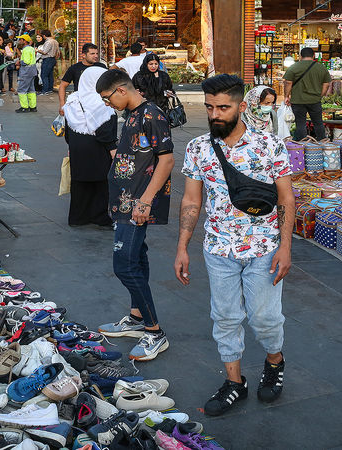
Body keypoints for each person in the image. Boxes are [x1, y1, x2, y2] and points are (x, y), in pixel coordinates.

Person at [174, 74, 293, 417]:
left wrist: (285, 247)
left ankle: (275, 360)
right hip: (218, 249)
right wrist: (183, 247)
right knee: (224, 317)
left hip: (264, 247)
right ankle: (234, 382)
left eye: (223, 107)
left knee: (264, 318)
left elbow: (286, 197)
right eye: (210, 107)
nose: (215, 114)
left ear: (241, 107)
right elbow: (191, 201)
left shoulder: (270, 145)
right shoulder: (198, 147)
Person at [94, 69, 175, 361]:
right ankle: (137, 317)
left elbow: (166, 160)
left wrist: (145, 201)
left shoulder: (152, 114)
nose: (107, 104)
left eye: (107, 98)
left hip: (137, 203)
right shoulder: (132, 113)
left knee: (124, 265)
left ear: (121, 90)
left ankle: (154, 331)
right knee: (137, 257)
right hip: (126, 200)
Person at [63, 66, 117, 227]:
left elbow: (68, 127)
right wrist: (112, 148)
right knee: (100, 183)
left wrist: (72, 145)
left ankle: (78, 217)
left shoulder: (73, 99)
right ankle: (98, 216)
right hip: (97, 148)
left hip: (77, 146)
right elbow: (105, 131)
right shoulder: (101, 101)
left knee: (79, 183)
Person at [282, 47, 331, 140]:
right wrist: (321, 95)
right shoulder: (321, 67)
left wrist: (286, 96)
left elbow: (288, 82)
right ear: (313, 56)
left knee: (300, 123)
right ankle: (322, 144)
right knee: (318, 123)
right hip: (315, 100)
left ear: (300, 56)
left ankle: (302, 146)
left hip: (298, 100)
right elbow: (326, 84)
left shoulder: (294, 67)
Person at [58, 43, 107, 116]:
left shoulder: (102, 67)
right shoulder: (74, 68)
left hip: (99, 105)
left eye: (97, 53)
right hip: (80, 106)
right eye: (92, 54)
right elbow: (62, 86)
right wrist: (62, 105)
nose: (96, 56)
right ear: (84, 55)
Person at [14, 34, 38, 113]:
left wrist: (19, 62)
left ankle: (24, 107)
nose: (19, 41)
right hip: (32, 71)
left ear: (24, 41)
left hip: (26, 72)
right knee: (31, 89)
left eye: (21, 40)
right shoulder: (31, 49)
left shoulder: (26, 50)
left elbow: (26, 61)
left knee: (21, 89)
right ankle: (33, 106)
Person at [37, 30, 59, 95]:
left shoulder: (48, 42)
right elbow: (58, 52)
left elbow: (44, 52)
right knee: (50, 75)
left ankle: (45, 90)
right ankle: (50, 89)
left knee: (44, 75)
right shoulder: (55, 41)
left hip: (47, 59)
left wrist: (37, 50)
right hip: (53, 59)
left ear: (44, 35)